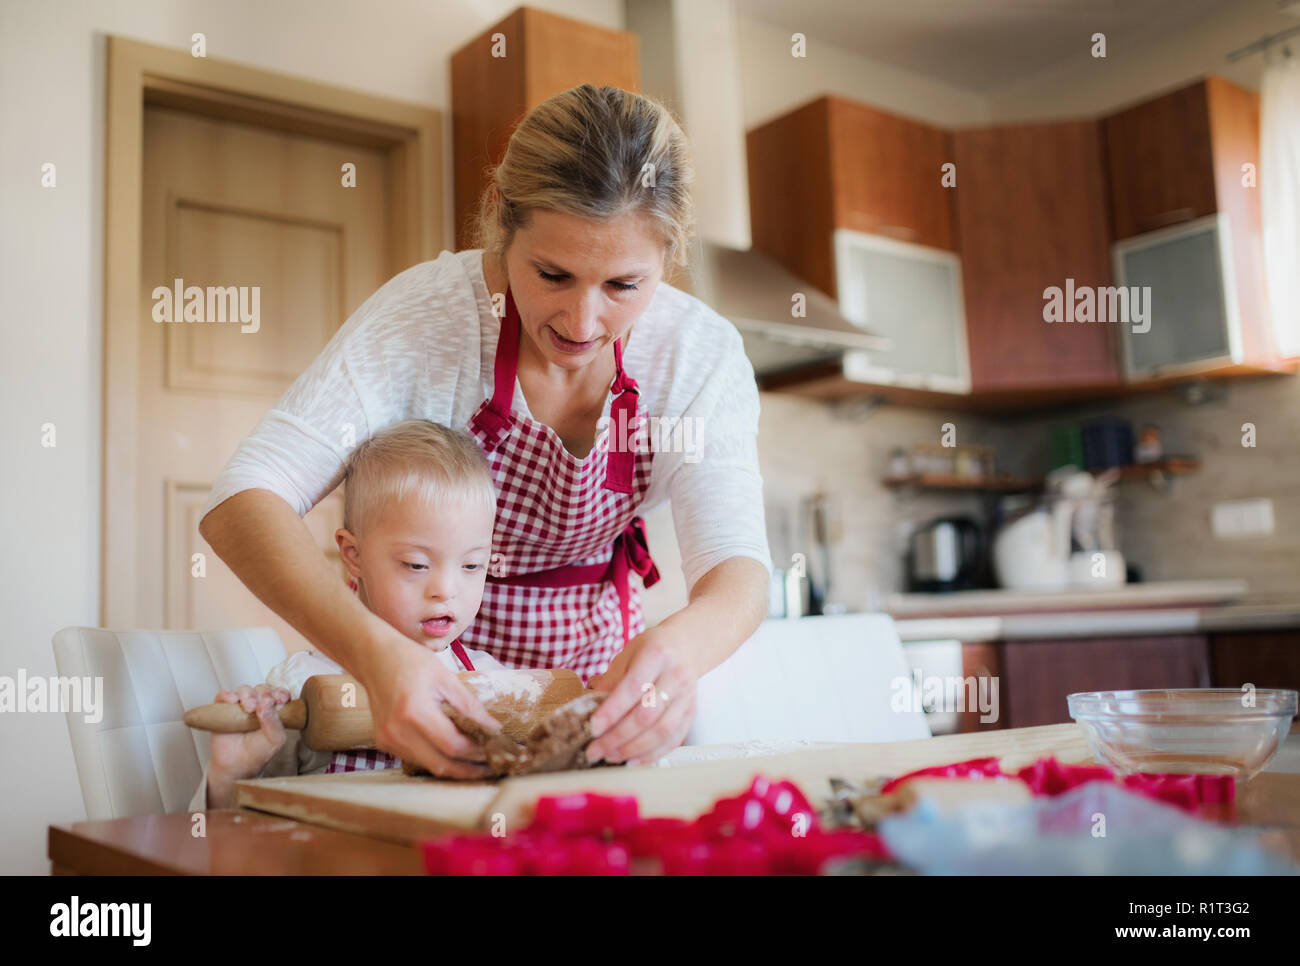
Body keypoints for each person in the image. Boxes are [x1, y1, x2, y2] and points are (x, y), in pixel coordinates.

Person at [198, 84, 771, 778]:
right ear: (503, 220)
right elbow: (241, 500)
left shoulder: (695, 356)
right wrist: (378, 657)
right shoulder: (428, 321)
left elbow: (737, 570)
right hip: (419, 667)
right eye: (552, 274)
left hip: (593, 677)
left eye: (623, 286)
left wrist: (680, 653)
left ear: (668, 257)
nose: (582, 324)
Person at [191, 421, 506, 809]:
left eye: (472, 566)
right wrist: (229, 776)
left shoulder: (492, 684)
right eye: (415, 565)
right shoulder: (302, 684)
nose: (446, 589)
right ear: (353, 556)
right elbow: (229, 839)